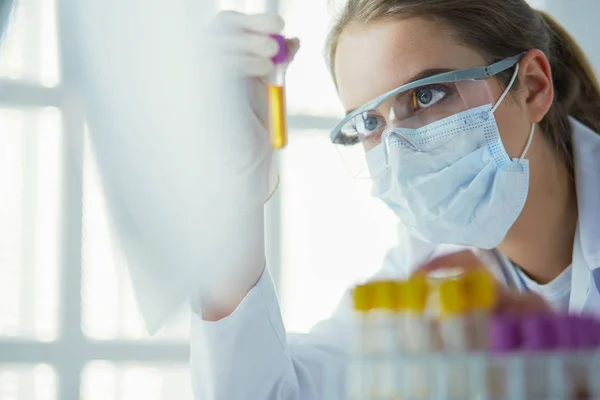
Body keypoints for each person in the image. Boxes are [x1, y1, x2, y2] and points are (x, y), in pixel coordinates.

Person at [190, 0, 600, 398]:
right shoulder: (425, 275)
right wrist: (234, 200)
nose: (398, 149)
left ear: (532, 87)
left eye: (427, 95)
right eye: (370, 122)